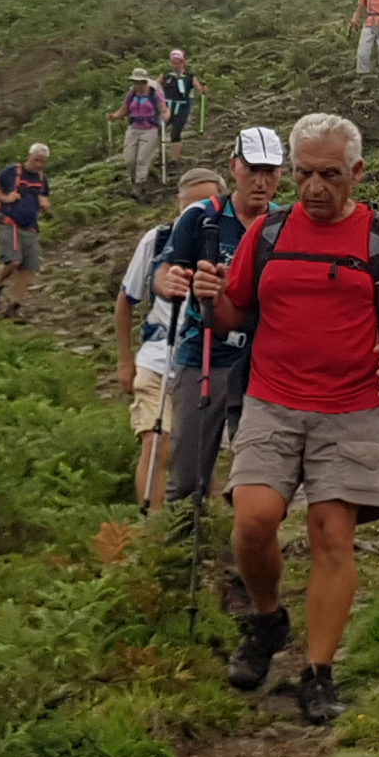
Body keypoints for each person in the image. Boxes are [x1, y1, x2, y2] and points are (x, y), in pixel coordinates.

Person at [185, 113, 379, 724]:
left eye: (329, 175)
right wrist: (209, 296)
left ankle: (318, 674)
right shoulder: (268, 232)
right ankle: (268, 619)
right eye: (303, 174)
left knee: (331, 535)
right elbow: (232, 315)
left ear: (357, 172)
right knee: (253, 519)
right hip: (271, 398)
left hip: (353, 407)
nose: (314, 188)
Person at [153, 126, 287, 518]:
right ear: (233, 167)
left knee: (257, 477)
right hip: (203, 353)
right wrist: (170, 282)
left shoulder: (285, 223)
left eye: (270, 171)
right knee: (188, 476)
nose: (260, 181)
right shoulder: (201, 217)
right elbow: (166, 269)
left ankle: (245, 550)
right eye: (252, 169)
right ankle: (180, 543)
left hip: (263, 362)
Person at [121, 168, 225, 513]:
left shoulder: (228, 244)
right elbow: (126, 299)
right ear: (178, 202)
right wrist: (124, 360)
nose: (197, 213)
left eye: (206, 204)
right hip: (156, 358)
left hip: (202, 363)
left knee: (196, 453)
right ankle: (152, 527)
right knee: (156, 443)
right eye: (190, 205)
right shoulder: (157, 240)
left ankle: (194, 523)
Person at [0, 143, 50, 317]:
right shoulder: (12, 171)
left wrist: (45, 203)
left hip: (30, 225)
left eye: (43, 161)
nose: (40, 164)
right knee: (13, 261)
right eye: (37, 160)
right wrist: (5, 198)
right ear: (29, 157)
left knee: (27, 268)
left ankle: (14, 306)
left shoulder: (42, 178)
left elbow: (43, 196)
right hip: (8, 220)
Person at [111, 67, 169, 186]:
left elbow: (164, 109)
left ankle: (139, 184)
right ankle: (133, 180)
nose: (138, 85)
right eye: (136, 82)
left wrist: (165, 116)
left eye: (141, 82)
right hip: (133, 128)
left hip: (150, 129)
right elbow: (124, 109)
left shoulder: (154, 95)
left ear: (145, 81)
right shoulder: (131, 94)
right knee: (129, 159)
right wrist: (114, 116)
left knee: (142, 159)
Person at [159, 50, 203, 165]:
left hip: (182, 107)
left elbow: (199, 89)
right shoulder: (166, 74)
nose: (175, 65)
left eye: (178, 63)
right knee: (158, 129)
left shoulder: (189, 76)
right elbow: (156, 86)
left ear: (183, 62)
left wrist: (202, 90)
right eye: (173, 63)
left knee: (176, 133)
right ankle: (161, 156)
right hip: (167, 106)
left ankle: (174, 160)